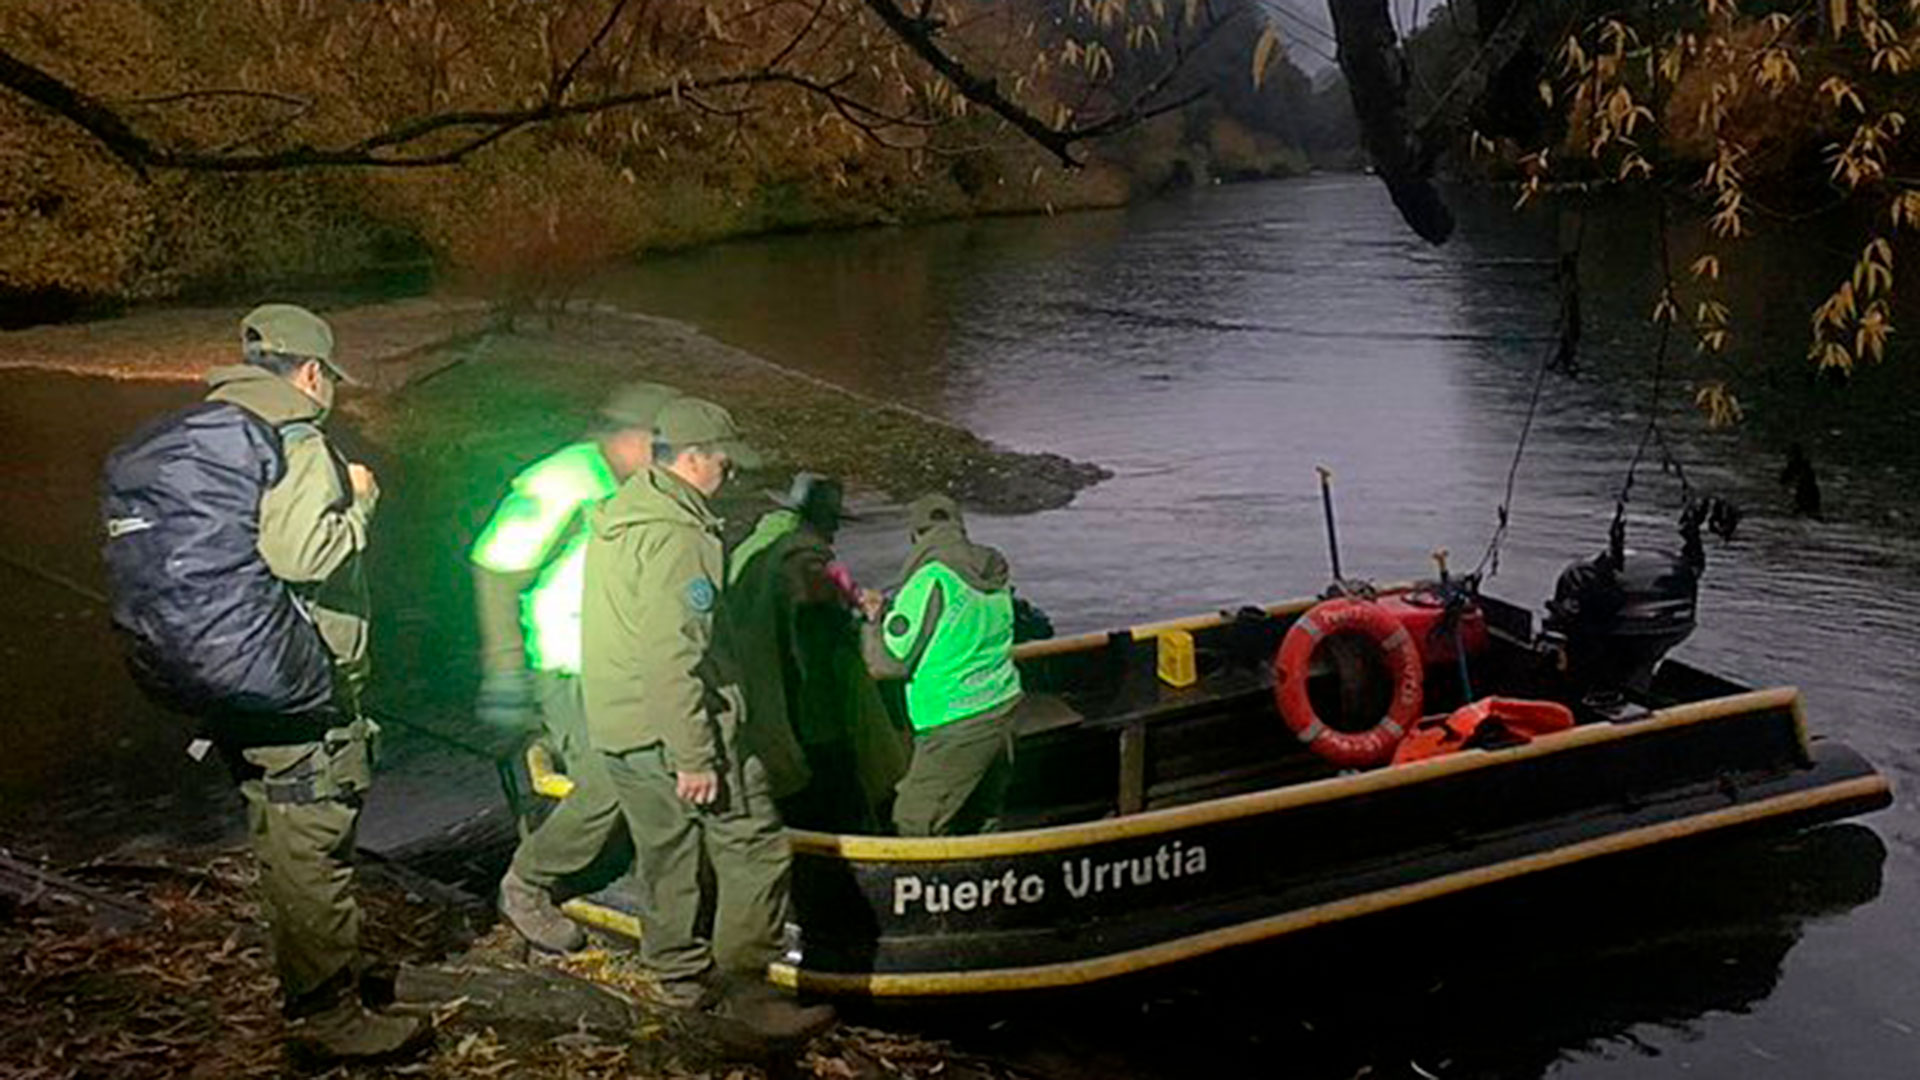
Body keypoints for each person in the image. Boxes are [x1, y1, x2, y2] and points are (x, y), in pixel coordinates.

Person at [100, 304, 427, 1062]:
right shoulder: (296, 438)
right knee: (314, 845)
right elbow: (306, 554)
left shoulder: (200, 438)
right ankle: (328, 1019)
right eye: (329, 378)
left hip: (224, 680)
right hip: (298, 687)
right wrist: (363, 496)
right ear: (312, 373)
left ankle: (310, 986)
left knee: (280, 835)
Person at [580, 398, 833, 1038]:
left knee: (666, 855)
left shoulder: (623, 512)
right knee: (753, 846)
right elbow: (673, 654)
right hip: (683, 727)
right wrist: (694, 753)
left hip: (622, 723)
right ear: (691, 459)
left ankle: (677, 982)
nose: (731, 472)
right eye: (724, 459)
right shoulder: (683, 537)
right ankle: (750, 994)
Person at [470, 382, 679, 953]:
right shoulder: (562, 481)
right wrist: (507, 667)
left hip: (622, 668)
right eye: (658, 443)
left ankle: (627, 883)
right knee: (609, 781)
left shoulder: (633, 485)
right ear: (628, 436)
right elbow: (494, 566)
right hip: (568, 666)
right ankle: (527, 883)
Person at [729, 474, 907, 833]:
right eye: (833, 524)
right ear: (822, 521)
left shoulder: (752, 550)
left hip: (753, 702)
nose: (835, 534)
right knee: (832, 798)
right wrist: (860, 618)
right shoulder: (807, 560)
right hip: (812, 718)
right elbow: (817, 644)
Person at [861, 494, 1023, 837]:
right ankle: (987, 884)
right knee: (981, 817)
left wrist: (875, 622)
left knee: (915, 821)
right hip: (1001, 708)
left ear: (916, 536)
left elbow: (887, 663)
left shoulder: (929, 580)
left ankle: (941, 889)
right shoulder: (994, 571)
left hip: (953, 721)